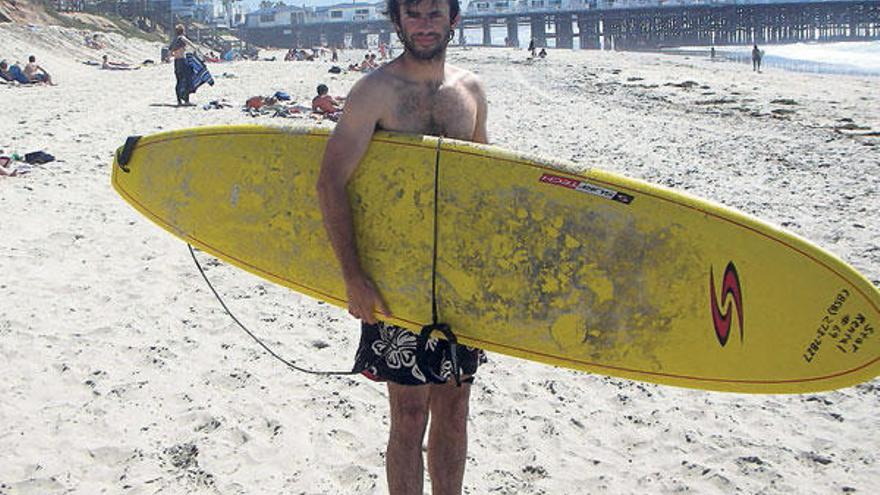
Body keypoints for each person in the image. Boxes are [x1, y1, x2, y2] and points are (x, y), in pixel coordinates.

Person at [315, 0, 488, 494]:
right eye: (413, 14)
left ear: (453, 19)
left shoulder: (471, 90)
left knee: (455, 411)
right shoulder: (375, 92)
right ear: (398, 21)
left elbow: (482, 185)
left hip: (457, 278)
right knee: (409, 416)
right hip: (397, 280)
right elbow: (330, 183)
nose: (425, 24)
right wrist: (353, 276)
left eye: (435, 13)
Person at [169, 24, 200, 105]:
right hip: (182, 61)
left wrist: (174, 54)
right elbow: (191, 44)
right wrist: (196, 48)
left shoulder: (174, 40)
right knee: (187, 79)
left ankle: (179, 101)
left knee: (179, 81)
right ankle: (186, 100)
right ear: (183, 31)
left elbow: (170, 53)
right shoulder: (182, 38)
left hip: (176, 62)